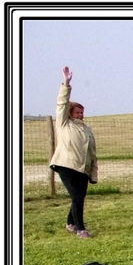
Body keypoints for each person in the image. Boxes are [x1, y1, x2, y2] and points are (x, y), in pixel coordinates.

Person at [49, 66, 98, 239]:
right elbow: (61, 103)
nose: (80, 115)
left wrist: (92, 173)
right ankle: (80, 229)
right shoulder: (64, 123)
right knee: (77, 196)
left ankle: (70, 223)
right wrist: (66, 84)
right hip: (66, 165)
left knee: (79, 197)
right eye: (77, 112)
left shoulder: (86, 130)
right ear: (70, 113)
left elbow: (92, 153)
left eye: (82, 112)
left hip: (82, 168)